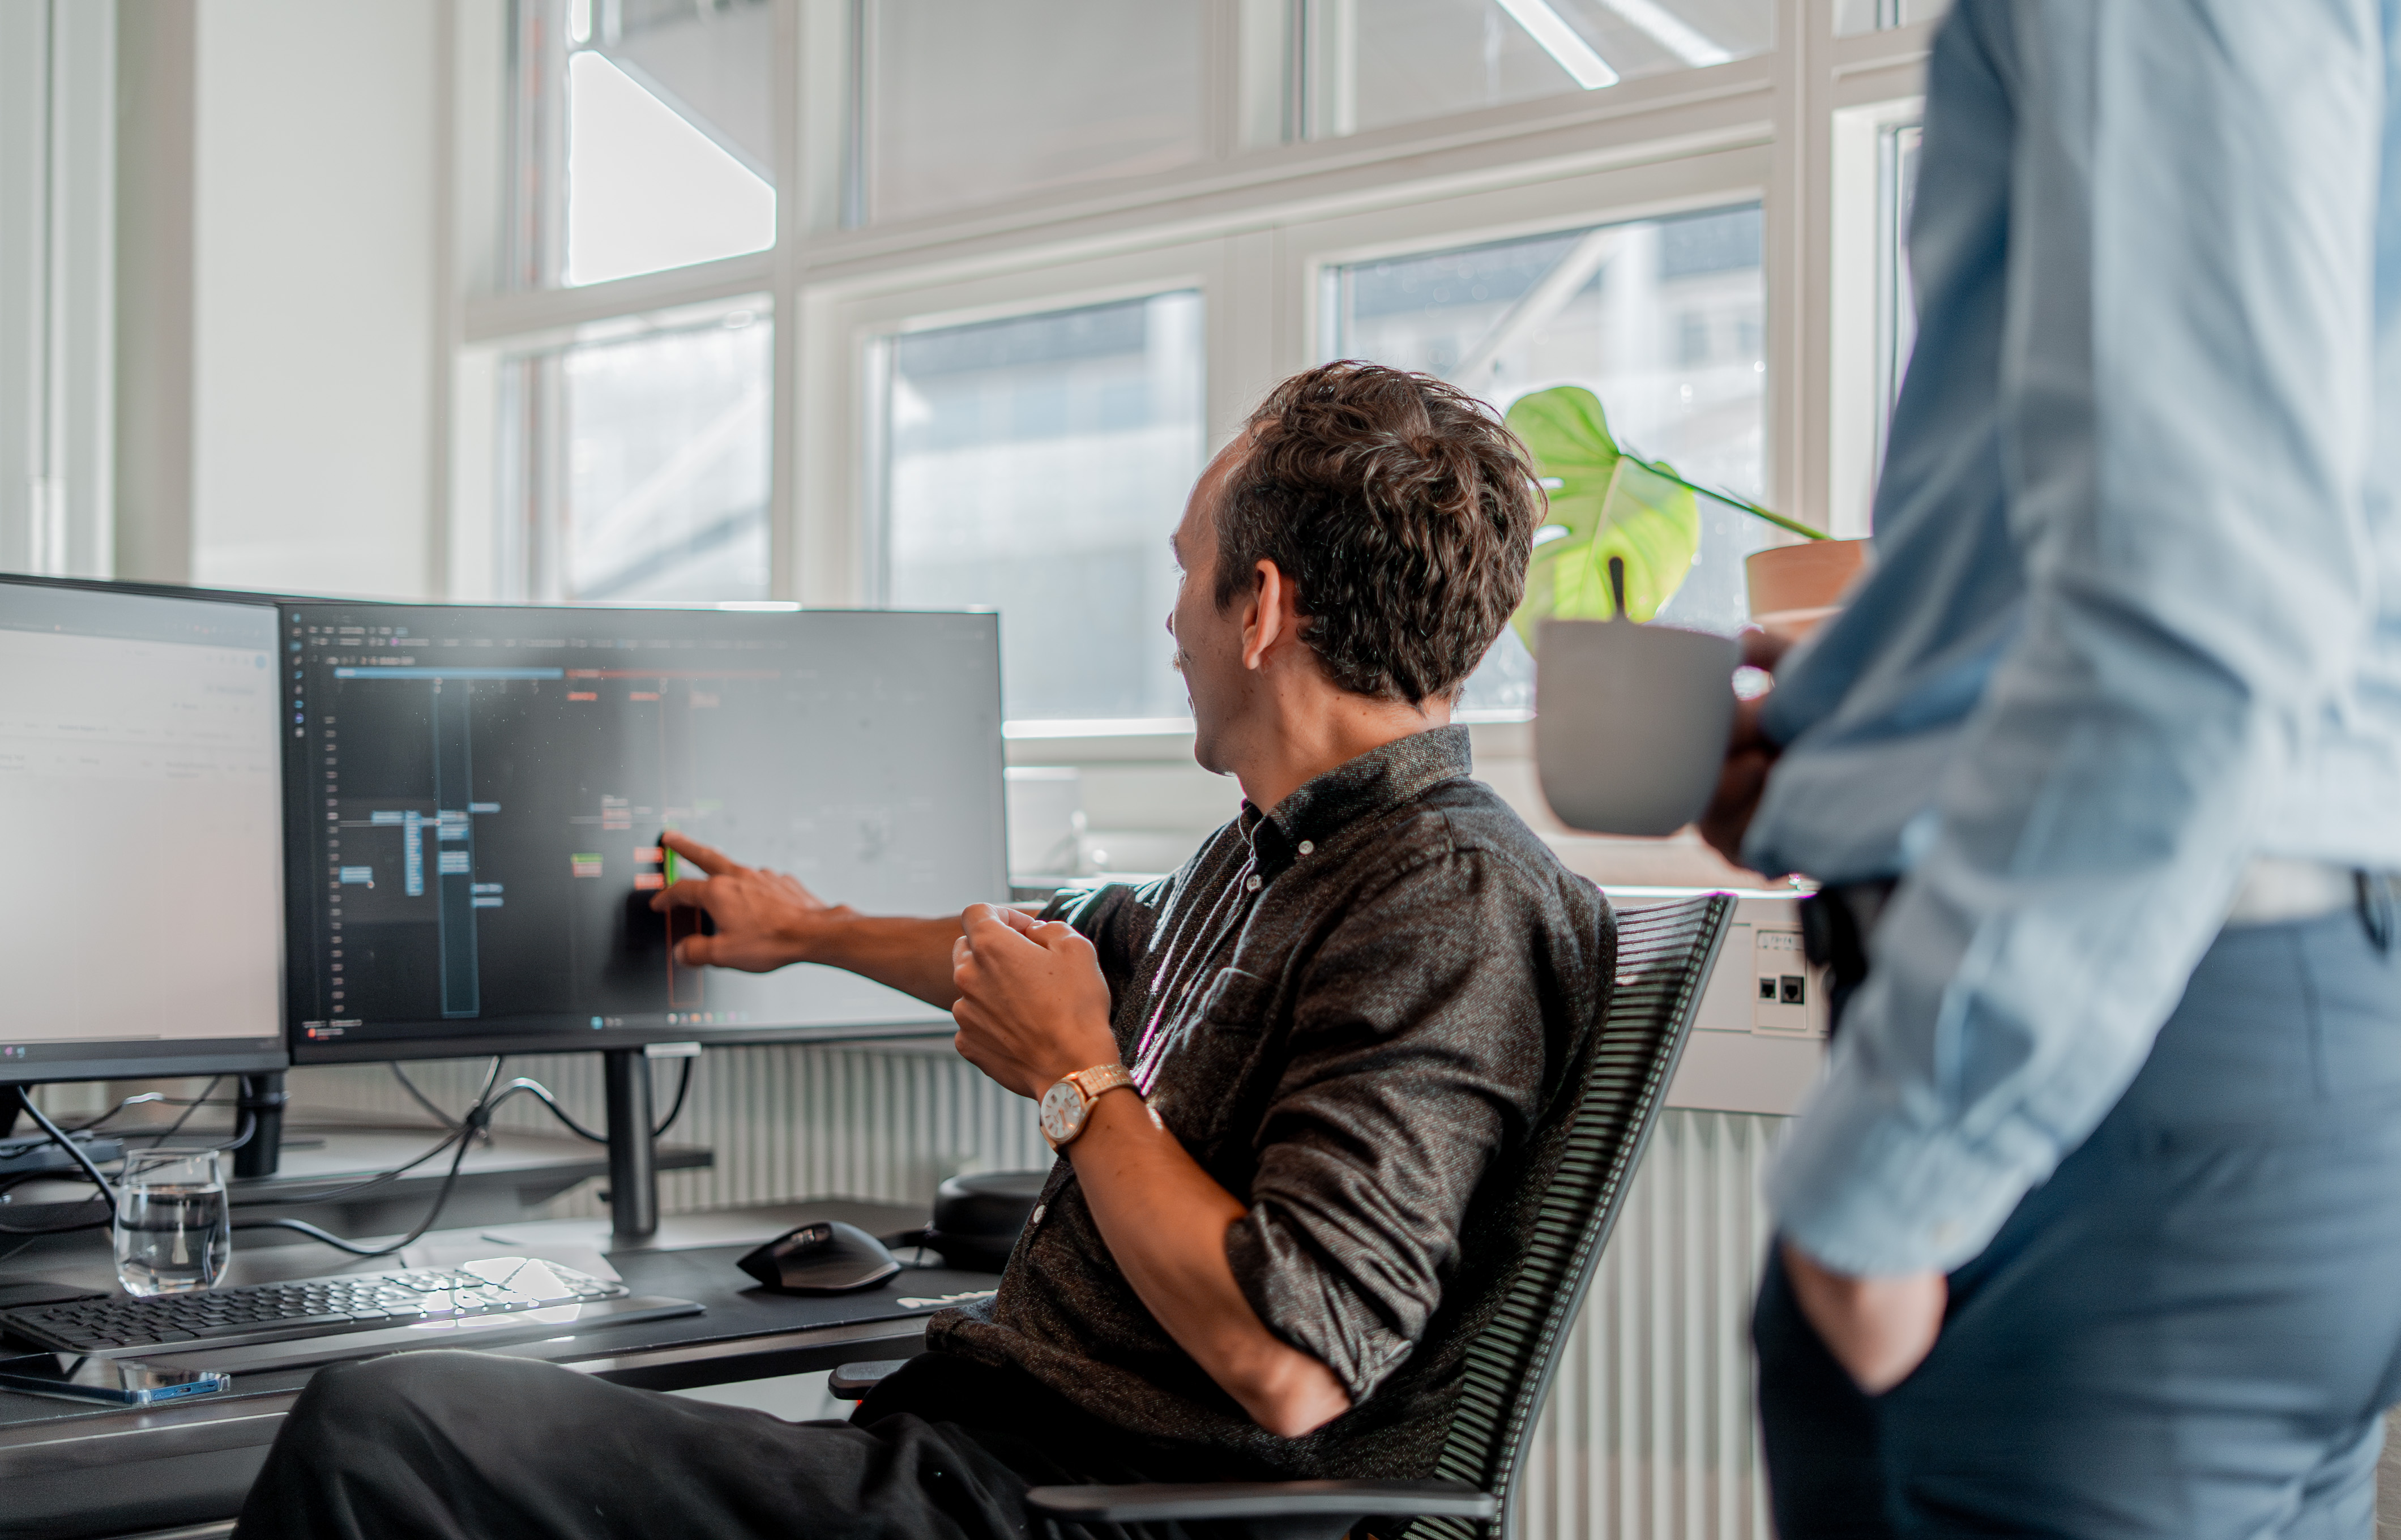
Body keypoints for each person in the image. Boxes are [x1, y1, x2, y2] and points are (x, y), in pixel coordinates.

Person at [231, 362, 1613, 1540]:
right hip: (981, 1464)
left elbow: (1295, 1357)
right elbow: (1050, 949)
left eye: (1184, 571)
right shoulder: (1273, 851)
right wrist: (806, 930)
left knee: (382, 1430)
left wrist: (1076, 1079)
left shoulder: (1449, 900)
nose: (1168, 621)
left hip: (1053, 1510)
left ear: (1259, 608)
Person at [1699, 2, 2401, 1534]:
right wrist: (1867, 722)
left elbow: (2204, 600)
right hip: (2279, 1028)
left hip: (2120, 1084)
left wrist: (1899, 1180)